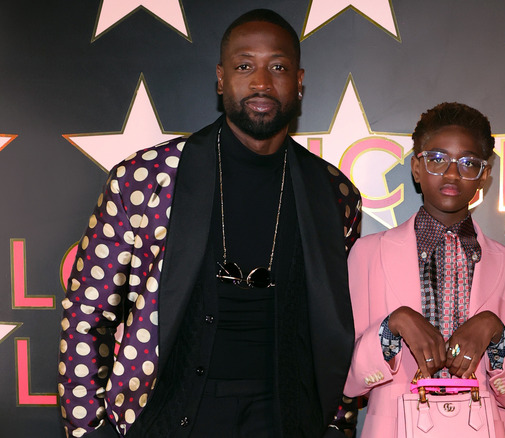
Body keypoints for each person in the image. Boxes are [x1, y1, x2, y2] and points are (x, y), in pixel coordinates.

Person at [58, 9, 361, 438]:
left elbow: (341, 325)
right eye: (244, 66)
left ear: (298, 81)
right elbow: (88, 313)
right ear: (221, 79)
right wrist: (90, 429)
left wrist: (336, 423)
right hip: (165, 413)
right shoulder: (146, 179)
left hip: (289, 418)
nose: (261, 81)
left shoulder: (335, 194)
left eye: (278, 67)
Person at [343, 102, 505, 438]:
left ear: (484, 174)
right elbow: (347, 380)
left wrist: (495, 332)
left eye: (468, 163)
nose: (451, 173)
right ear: (417, 167)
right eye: (437, 159)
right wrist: (393, 325)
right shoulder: (368, 254)